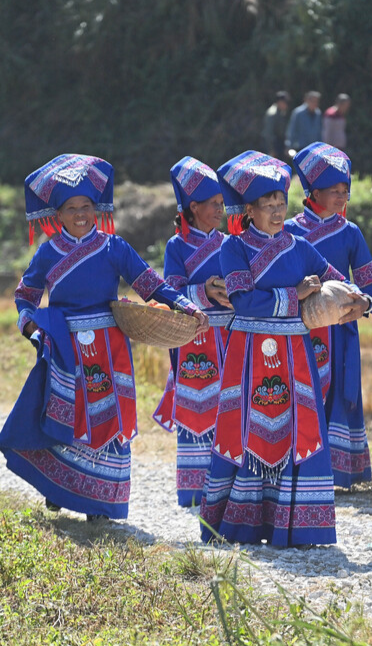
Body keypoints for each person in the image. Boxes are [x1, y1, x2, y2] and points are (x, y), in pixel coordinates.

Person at [0, 153, 208, 521]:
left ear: (97, 209)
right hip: (64, 347)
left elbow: (150, 285)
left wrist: (187, 306)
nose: (81, 214)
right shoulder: (47, 253)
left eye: (87, 206)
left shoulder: (115, 248)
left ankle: (101, 504)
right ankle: (62, 487)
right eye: (72, 208)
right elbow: (25, 296)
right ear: (57, 215)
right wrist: (30, 329)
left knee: (109, 420)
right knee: (71, 416)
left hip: (110, 347)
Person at [200, 150, 369, 547]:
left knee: (299, 428)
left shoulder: (301, 245)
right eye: (268, 205)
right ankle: (241, 524)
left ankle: (298, 525)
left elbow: (335, 279)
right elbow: (242, 300)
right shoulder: (234, 248)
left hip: (296, 352)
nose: (277, 212)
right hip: (249, 352)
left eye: (281, 204)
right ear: (249, 210)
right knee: (248, 428)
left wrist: (361, 301)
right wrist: (294, 295)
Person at [285, 141, 372, 488]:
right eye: (334, 190)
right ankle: (300, 468)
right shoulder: (288, 231)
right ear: (312, 190)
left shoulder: (350, 233)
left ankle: (339, 473)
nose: (341, 197)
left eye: (345, 191)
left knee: (339, 395)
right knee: (302, 393)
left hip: (342, 330)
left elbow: (368, 280)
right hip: (302, 330)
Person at [152, 157, 233, 507]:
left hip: (228, 340)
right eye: (213, 204)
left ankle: (225, 487)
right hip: (194, 339)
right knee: (196, 410)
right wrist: (204, 292)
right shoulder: (176, 246)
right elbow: (171, 292)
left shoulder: (231, 243)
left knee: (226, 408)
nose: (220, 209)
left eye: (221, 203)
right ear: (194, 207)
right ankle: (194, 490)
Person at [285, 91, 322, 156]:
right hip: (301, 148)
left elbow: (319, 131)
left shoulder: (318, 113)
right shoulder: (298, 112)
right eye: (313, 101)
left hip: (314, 149)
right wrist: (289, 146)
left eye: (316, 101)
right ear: (307, 101)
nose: (315, 103)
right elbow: (292, 130)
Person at [261, 90, 291, 163]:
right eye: (285, 102)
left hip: (280, 144)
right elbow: (268, 133)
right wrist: (271, 150)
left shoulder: (281, 112)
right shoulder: (272, 114)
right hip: (274, 145)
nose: (286, 105)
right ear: (279, 102)